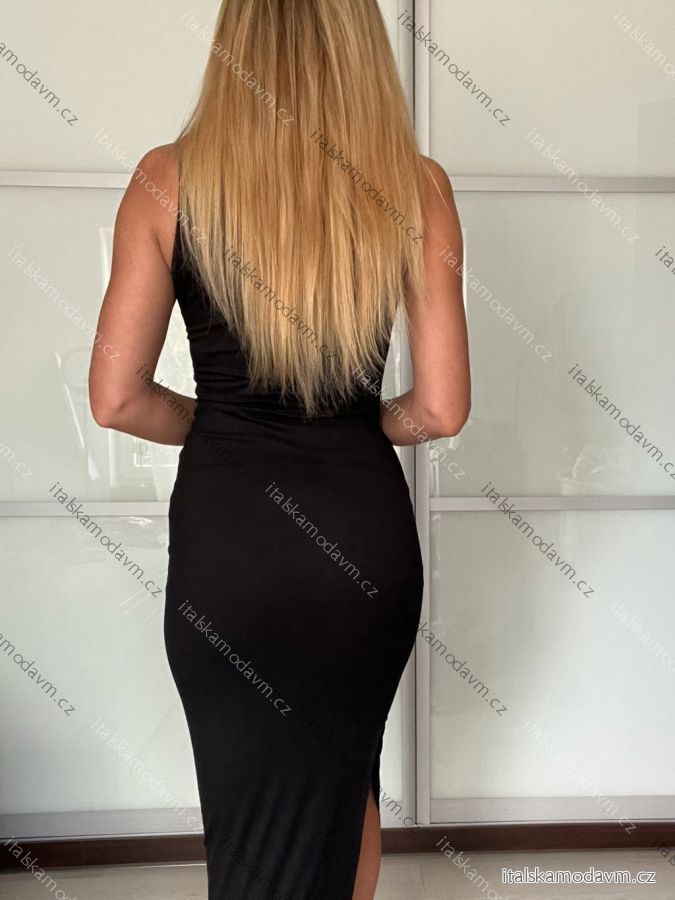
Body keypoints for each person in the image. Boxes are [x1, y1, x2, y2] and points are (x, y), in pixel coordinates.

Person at [88, 1, 470, 897]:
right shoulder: (415, 186)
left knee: (249, 815)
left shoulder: (166, 180)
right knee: (346, 779)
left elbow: (116, 398)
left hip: (232, 544)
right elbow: (441, 409)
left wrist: (226, 424)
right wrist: (358, 424)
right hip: (361, 538)